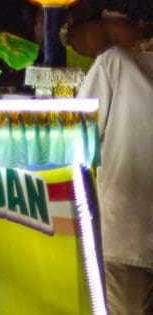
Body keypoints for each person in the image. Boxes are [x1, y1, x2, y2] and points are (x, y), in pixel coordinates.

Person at [76, 40, 153, 314]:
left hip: (127, 236)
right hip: (127, 241)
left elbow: (76, 139)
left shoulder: (117, 63)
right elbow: (77, 140)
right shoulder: (118, 64)